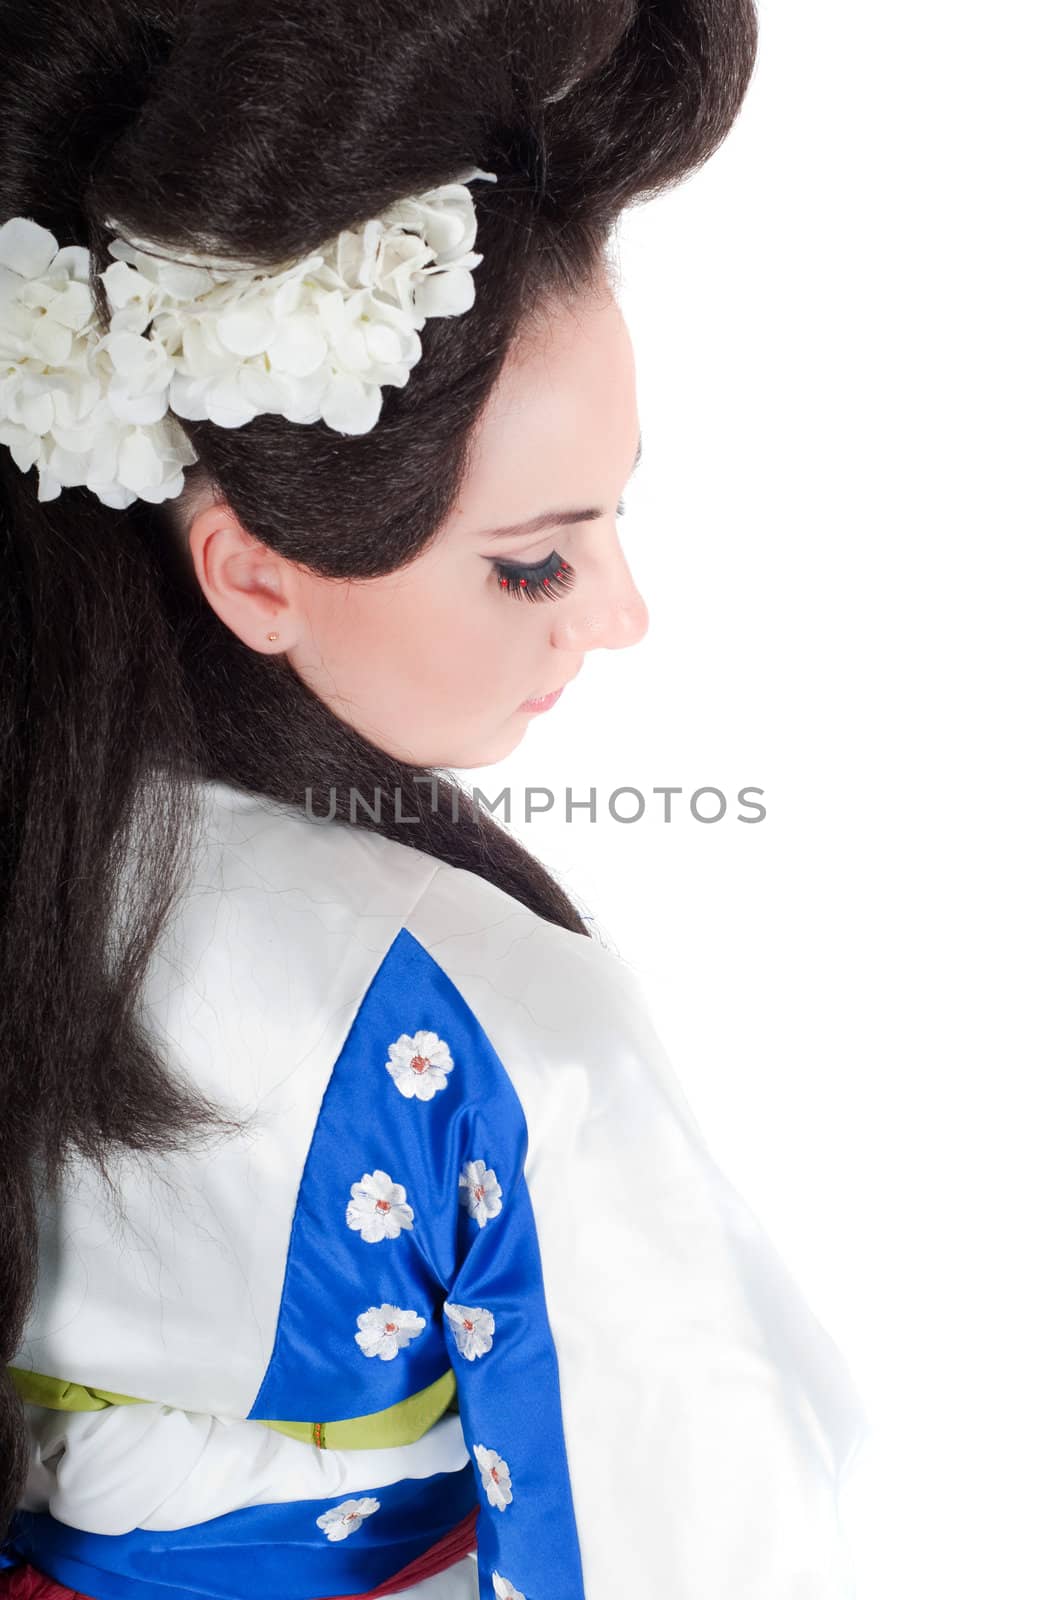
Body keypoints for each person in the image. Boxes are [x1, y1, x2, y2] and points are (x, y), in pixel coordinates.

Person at [0, 2, 870, 1596]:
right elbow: (692, 1528)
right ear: (252, 573)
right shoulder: (480, 1026)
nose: (620, 614)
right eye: (536, 555)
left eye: (612, 521)